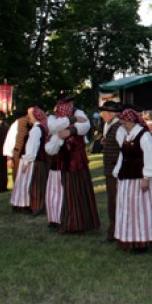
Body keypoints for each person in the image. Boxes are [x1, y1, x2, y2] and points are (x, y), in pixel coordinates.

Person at [45, 95, 99, 233]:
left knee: (76, 189)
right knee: (55, 191)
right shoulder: (53, 117)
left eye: (69, 103)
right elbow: (52, 127)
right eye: (65, 103)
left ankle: (78, 221)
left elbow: (85, 125)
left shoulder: (79, 112)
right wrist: (71, 120)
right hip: (58, 159)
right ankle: (56, 220)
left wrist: (70, 130)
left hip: (75, 159)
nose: (68, 105)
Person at [113, 108, 152, 252]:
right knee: (126, 209)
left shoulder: (143, 136)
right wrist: (117, 175)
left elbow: (150, 158)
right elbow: (123, 156)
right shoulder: (126, 136)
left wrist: (147, 177)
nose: (123, 125)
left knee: (140, 210)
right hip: (126, 178)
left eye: (125, 122)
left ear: (132, 122)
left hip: (139, 179)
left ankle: (141, 241)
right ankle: (128, 239)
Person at [10, 106, 51, 216]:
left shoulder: (36, 129)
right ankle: (36, 206)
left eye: (31, 116)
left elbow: (32, 147)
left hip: (34, 162)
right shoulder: (43, 128)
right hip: (40, 161)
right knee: (38, 184)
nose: (30, 118)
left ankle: (34, 206)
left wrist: (27, 161)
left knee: (33, 184)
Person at [98, 101, 122, 242]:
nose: (102, 115)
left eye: (104, 112)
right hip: (111, 169)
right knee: (112, 201)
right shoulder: (110, 126)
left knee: (114, 202)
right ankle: (114, 231)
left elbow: (123, 149)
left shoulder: (118, 128)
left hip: (115, 171)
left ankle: (114, 232)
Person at [2, 110, 31, 190]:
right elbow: (10, 141)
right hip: (20, 155)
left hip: (34, 157)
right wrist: (9, 158)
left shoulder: (41, 123)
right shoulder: (18, 123)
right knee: (19, 179)